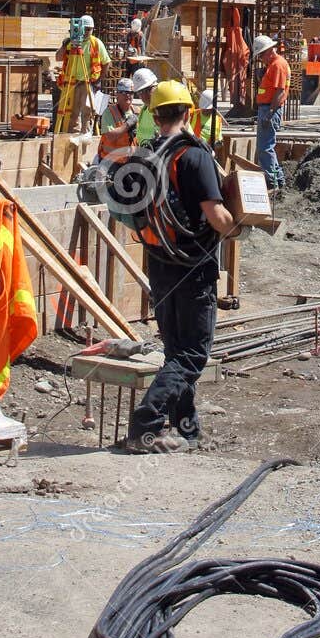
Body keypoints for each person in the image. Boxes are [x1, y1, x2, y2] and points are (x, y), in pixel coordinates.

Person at [125, 81, 235, 454]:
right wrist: (239, 226)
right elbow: (215, 214)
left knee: (176, 351)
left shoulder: (145, 154)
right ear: (189, 113)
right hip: (193, 267)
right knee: (193, 354)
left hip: (160, 265)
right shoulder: (194, 156)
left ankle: (187, 430)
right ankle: (146, 423)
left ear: (155, 115)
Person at [54, 15, 109, 134]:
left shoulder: (96, 43)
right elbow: (58, 57)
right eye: (85, 29)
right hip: (72, 82)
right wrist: (65, 45)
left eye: (89, 29)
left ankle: (85, 134)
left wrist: (99, 79)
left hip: (87, 82)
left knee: (87, 110)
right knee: (72, 111)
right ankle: (72, 134)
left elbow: (106, 62)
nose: (87, 32)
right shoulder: (70, 43)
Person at [253, 33, 290, 192]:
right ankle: (275, 179)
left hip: (269, 109)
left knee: (265, 148)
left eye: (261, 55)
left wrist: (270, 113)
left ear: (269, 51)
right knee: (265, 147)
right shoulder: (273, 65)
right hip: (267, 108)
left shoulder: (277, 65)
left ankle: (275, 180)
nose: (261, 58)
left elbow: (280, 92)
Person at [97, 77, 137, 157]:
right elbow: (110, 136)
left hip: (130, 160)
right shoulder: (109, 112)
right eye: (124, 92)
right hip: (110, 160)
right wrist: (128, 125)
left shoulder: (136, 111)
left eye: (131, 92)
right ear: (117, 94)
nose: (128, 95)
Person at [130, 67, 159, 145]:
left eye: (148, 90)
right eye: (141, 92)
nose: (144, 95)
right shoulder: (144, 111)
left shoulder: (167, 109)